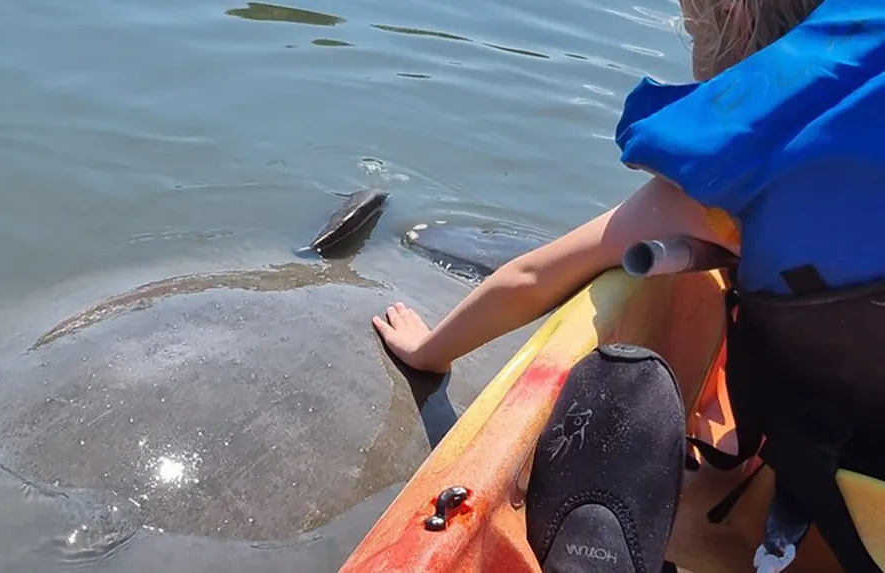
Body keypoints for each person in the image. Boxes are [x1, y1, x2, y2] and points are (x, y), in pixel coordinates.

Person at [373, 0, 885, 570]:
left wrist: (427, 352)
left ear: (729, 29)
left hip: (852, 496)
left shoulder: (717, 187)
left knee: (624, 389)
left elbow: (530, 276)